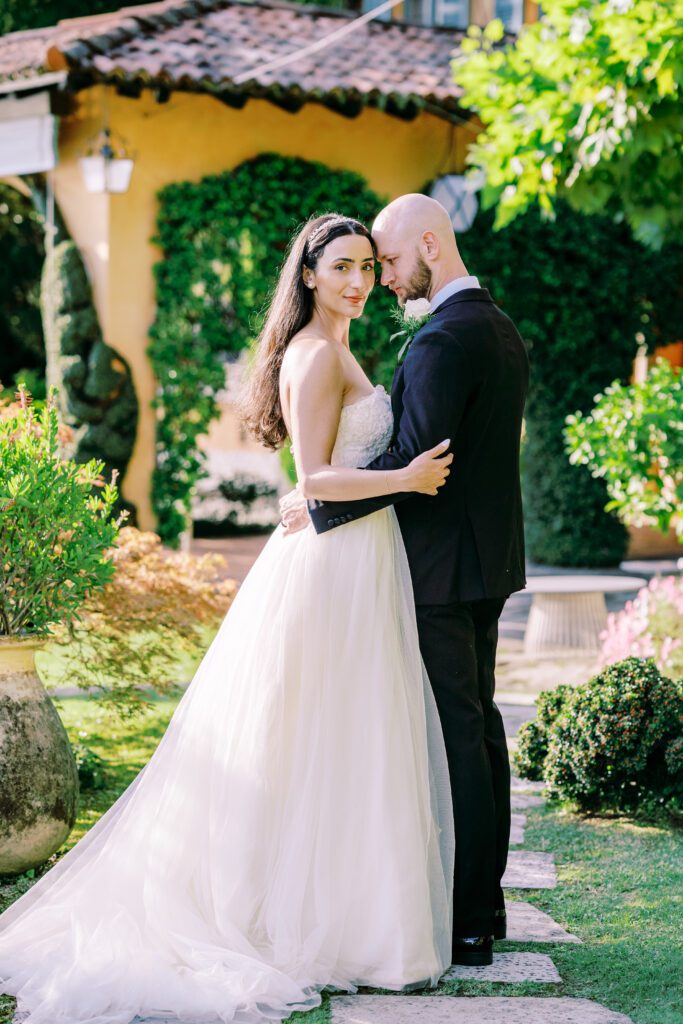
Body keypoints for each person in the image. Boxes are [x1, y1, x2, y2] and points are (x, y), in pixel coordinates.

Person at [0, 213, 456, 1024]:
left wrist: (383, 484)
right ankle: (306, 921)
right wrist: (406, 480)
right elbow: (314, 478)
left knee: (344, 738)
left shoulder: (336, 348)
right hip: (332, 566)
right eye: (341, 268)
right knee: (317, 735)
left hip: (357, 560)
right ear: (308, 275)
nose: (357, 282)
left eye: (364, 267)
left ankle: (357, 920)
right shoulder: (315, 357)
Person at [282, 194, 529, 966]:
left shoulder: (440, 342)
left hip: (435, 570)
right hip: (484, 564)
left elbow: (415, 463)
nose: (379, 277)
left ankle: (463, 919)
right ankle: (481, 905)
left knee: (455, 733)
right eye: (356, 265)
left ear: (428, 242)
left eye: (384, 260)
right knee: (478, 726)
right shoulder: (498, 326)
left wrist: (313, 506)